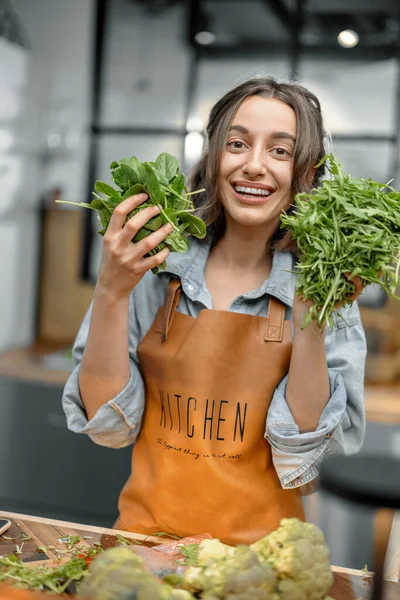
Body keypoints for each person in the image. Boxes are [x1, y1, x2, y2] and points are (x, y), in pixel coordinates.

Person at [62, 77, 367, 545]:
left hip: (263, 568)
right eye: (237, 144)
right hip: (146, 551)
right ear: (212, 157)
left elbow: (305, 449)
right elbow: (107, 425)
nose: (254, 165)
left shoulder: (327, 288)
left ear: (307, 171)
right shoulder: (155, 267)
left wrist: (310, 318)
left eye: (280, 151)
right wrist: (110, 291)